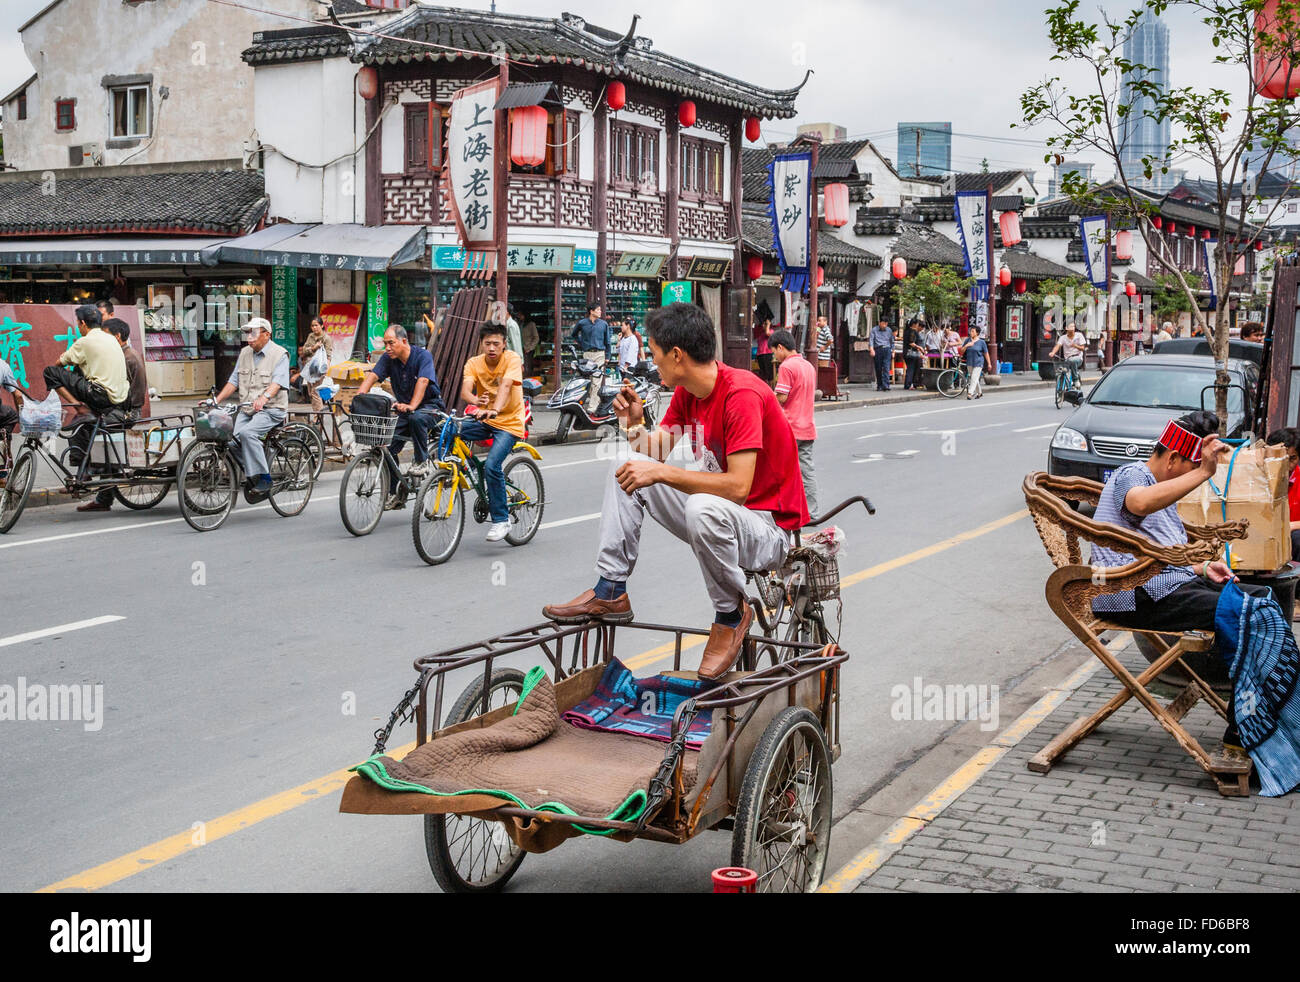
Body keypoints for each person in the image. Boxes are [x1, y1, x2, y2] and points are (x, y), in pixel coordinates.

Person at [541, 303, 808, 681]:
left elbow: (737, 487)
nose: (652, 362)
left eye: (654, 354)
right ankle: (611, 588)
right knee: (625, 471)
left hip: (766, 528)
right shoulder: (688, 392)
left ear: (677, 356)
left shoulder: (741, 395)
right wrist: (633, 425)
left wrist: (661, 473)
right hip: (723, 515)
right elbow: (654, 453)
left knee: (700, 506)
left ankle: (731, 614)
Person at [1090, 412, 1282, 763]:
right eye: (1190, 467)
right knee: (1250, 612)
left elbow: (1160, 550)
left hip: (1166, 585)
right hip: (1129, 593)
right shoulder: (1132, 475)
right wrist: (1204, 471)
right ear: (1174, 457)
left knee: (1264, 600)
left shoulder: (1162, 489)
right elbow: (1139, 503)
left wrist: (1203, 566)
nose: (1194, 479)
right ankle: (1243, 733)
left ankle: (1266, 719)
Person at [355, 324, 445, 510]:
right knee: (384, 444)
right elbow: (373, 375)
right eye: (385, 343)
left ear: (404, 341)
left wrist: (412, 405)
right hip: (404, 410)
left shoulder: (422, 356)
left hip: (430, 407)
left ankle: (421, 461)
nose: (387, 348)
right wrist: (359, 396)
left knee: (417, 418)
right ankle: (397, 490)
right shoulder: (389, 359)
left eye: (391, 343)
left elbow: (423, 380)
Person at [459, 322, 526, 542]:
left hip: (509, 424)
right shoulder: (473, 363)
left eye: (496, 343)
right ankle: (451, 474)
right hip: (485, 419)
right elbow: (466, 391)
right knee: (450, 429)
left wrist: (495, 409)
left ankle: (501, 520)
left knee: (491, 465)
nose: (491, 347)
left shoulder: (512, 359)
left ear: (504, 344)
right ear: (481, 344)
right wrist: (476, 401)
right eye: (487, 343)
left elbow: (506, 386)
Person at [209, 317, 290, 499]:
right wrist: (216, 400)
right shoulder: (245, 353)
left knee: (247, 434)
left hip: (271, 409)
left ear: (266, 335)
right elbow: (234, 381)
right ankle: (253, 470)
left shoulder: (280, 354)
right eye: (247, 333)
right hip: (248, 409)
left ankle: (265, 478)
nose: (249, 337)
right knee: (229, 439)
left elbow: (277, 382)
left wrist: (264, 397)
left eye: (254, 333)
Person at [78, 318, 150, 513]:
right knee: (101, 440)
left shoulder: (126, 358)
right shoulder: (123, 355)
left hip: (126, 412)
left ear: (117, 337)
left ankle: (86, 471)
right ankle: (103, 496)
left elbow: (118, 394)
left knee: (87, 425)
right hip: (119, 409)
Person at [43, 305, 129, 467]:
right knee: (80, 426)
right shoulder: (110, 338)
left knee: (50, 372)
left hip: (99, 394)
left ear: (83, 323)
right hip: (118, 397)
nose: (77, 326)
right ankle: (84, 474)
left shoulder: (85, 341)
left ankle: (78, 406)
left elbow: (58, 364)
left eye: (78, 323)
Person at [771, 329, 818, 516]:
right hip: (807, 427)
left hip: (790, 428)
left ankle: (786, 509)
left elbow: (781, 397)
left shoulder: (787, 367)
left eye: (774, 351)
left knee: (781, 471)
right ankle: (812, 512)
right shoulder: (808, 366)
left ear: (781, 347)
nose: (774, 355)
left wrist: (765, 401)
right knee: (806, 471)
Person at [1266, 427, 1300, 563]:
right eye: (1282, 458)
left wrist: (1289, 526)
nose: (1288, 465)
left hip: (1291, 541)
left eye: (1293, 458)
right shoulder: (1256, 480)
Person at [571, 303, 611, 410]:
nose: (600, 312)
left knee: (596, 382)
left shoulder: (603, 324)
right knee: (586, 380)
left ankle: (592, 408)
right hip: (587, 355)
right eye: (598, 310)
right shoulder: (582, 323)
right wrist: (582, 343)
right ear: (591, 311)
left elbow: (607, 341)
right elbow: (574, 334)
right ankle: (583, 403)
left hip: (599, 355)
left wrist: (607, 356)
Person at [1050, 320, 1087, 390]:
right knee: (1062, 370)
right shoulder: (1063, 337)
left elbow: (1082, 348)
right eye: (1071, 326)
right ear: (1066, 328)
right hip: (1067, 359)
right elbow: (1058, 346)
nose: (1073, 328)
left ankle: (1075, 380)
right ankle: (1062, 388)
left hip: (1078, 358)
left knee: (1072, 361)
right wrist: (1053, 352)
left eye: (1073, 326)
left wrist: (1075, 345)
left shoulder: (1079, 335)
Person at [961, 325, 993, 399]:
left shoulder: (982, 342)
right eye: (970, 331)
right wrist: (967, 345)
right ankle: (980, 392)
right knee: (974, 378)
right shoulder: (967, 340)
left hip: (978, 362)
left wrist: (989, 363)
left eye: (972, 331)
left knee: (974, 378)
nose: (970, 333)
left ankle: (970, 393)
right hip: (969, 362)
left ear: (977, 333)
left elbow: (986, 353)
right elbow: (962, 351)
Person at [869, 319, 895, 391]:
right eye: (883, 323)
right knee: (878, 368)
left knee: (886, 367)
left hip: (887, 349)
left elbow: (892, 341)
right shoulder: (874, 330)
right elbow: (871, 340)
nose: (884, 325)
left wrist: (893, 351)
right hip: (878, 349)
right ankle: (879, 385)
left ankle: (886, 385)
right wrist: (872, 349)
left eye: (886, 324)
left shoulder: (889, 330)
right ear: (879, 322)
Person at [902, 318, 926, 391]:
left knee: (910, 368)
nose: (918, 325)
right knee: (911, 369)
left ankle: (908, 384)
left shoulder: (906, 331)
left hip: (906, 352)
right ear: (914, 324)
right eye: (918, 324)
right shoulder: (912, 331)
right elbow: (911, 343)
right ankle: (908, 385)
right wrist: (920, 348)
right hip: (910, 353)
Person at [753, 316, 774, 386]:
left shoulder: (771, 331)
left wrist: (768, 324)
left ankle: (771, 388)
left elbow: (768, 333)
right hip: (760, 355)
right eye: (763, 324)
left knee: (769, 374)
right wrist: (756, 356)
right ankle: (766, 386)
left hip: (767, 354)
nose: (763, 325)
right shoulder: (761, 333)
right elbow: (759, 346)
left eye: (764, 324)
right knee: (763, 373)